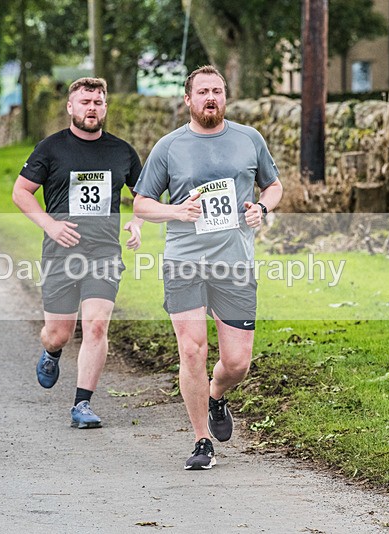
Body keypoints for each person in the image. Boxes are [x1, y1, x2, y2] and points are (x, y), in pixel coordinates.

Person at [133, 65, 283, 470]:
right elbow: (141, 203)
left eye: (217, 90)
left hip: (234, 262)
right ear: (188, 99)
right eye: (202, 92)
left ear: (225, 96)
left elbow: (274, 185)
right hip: (184, 261)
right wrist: (176, 210)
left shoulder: (249, 139)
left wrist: (262, 208)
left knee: (237, 362)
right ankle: (201, 439)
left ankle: (217, 395)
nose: (210, 97)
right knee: (192, 349)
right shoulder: (169, 147)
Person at [12, 77, 143, 429]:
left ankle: (82, 403)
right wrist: (49, 225)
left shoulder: (122, 151)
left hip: (103, 251)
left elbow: (144, 195)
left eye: (98, 102)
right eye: (85, 102)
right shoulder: (50, 148)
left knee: (97, 325)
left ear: (105, 107)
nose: (92, 108)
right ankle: (51, 351)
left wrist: (137, 221)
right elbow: (21, 192)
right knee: (59, 333)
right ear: (70, 107)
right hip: (60, 252)